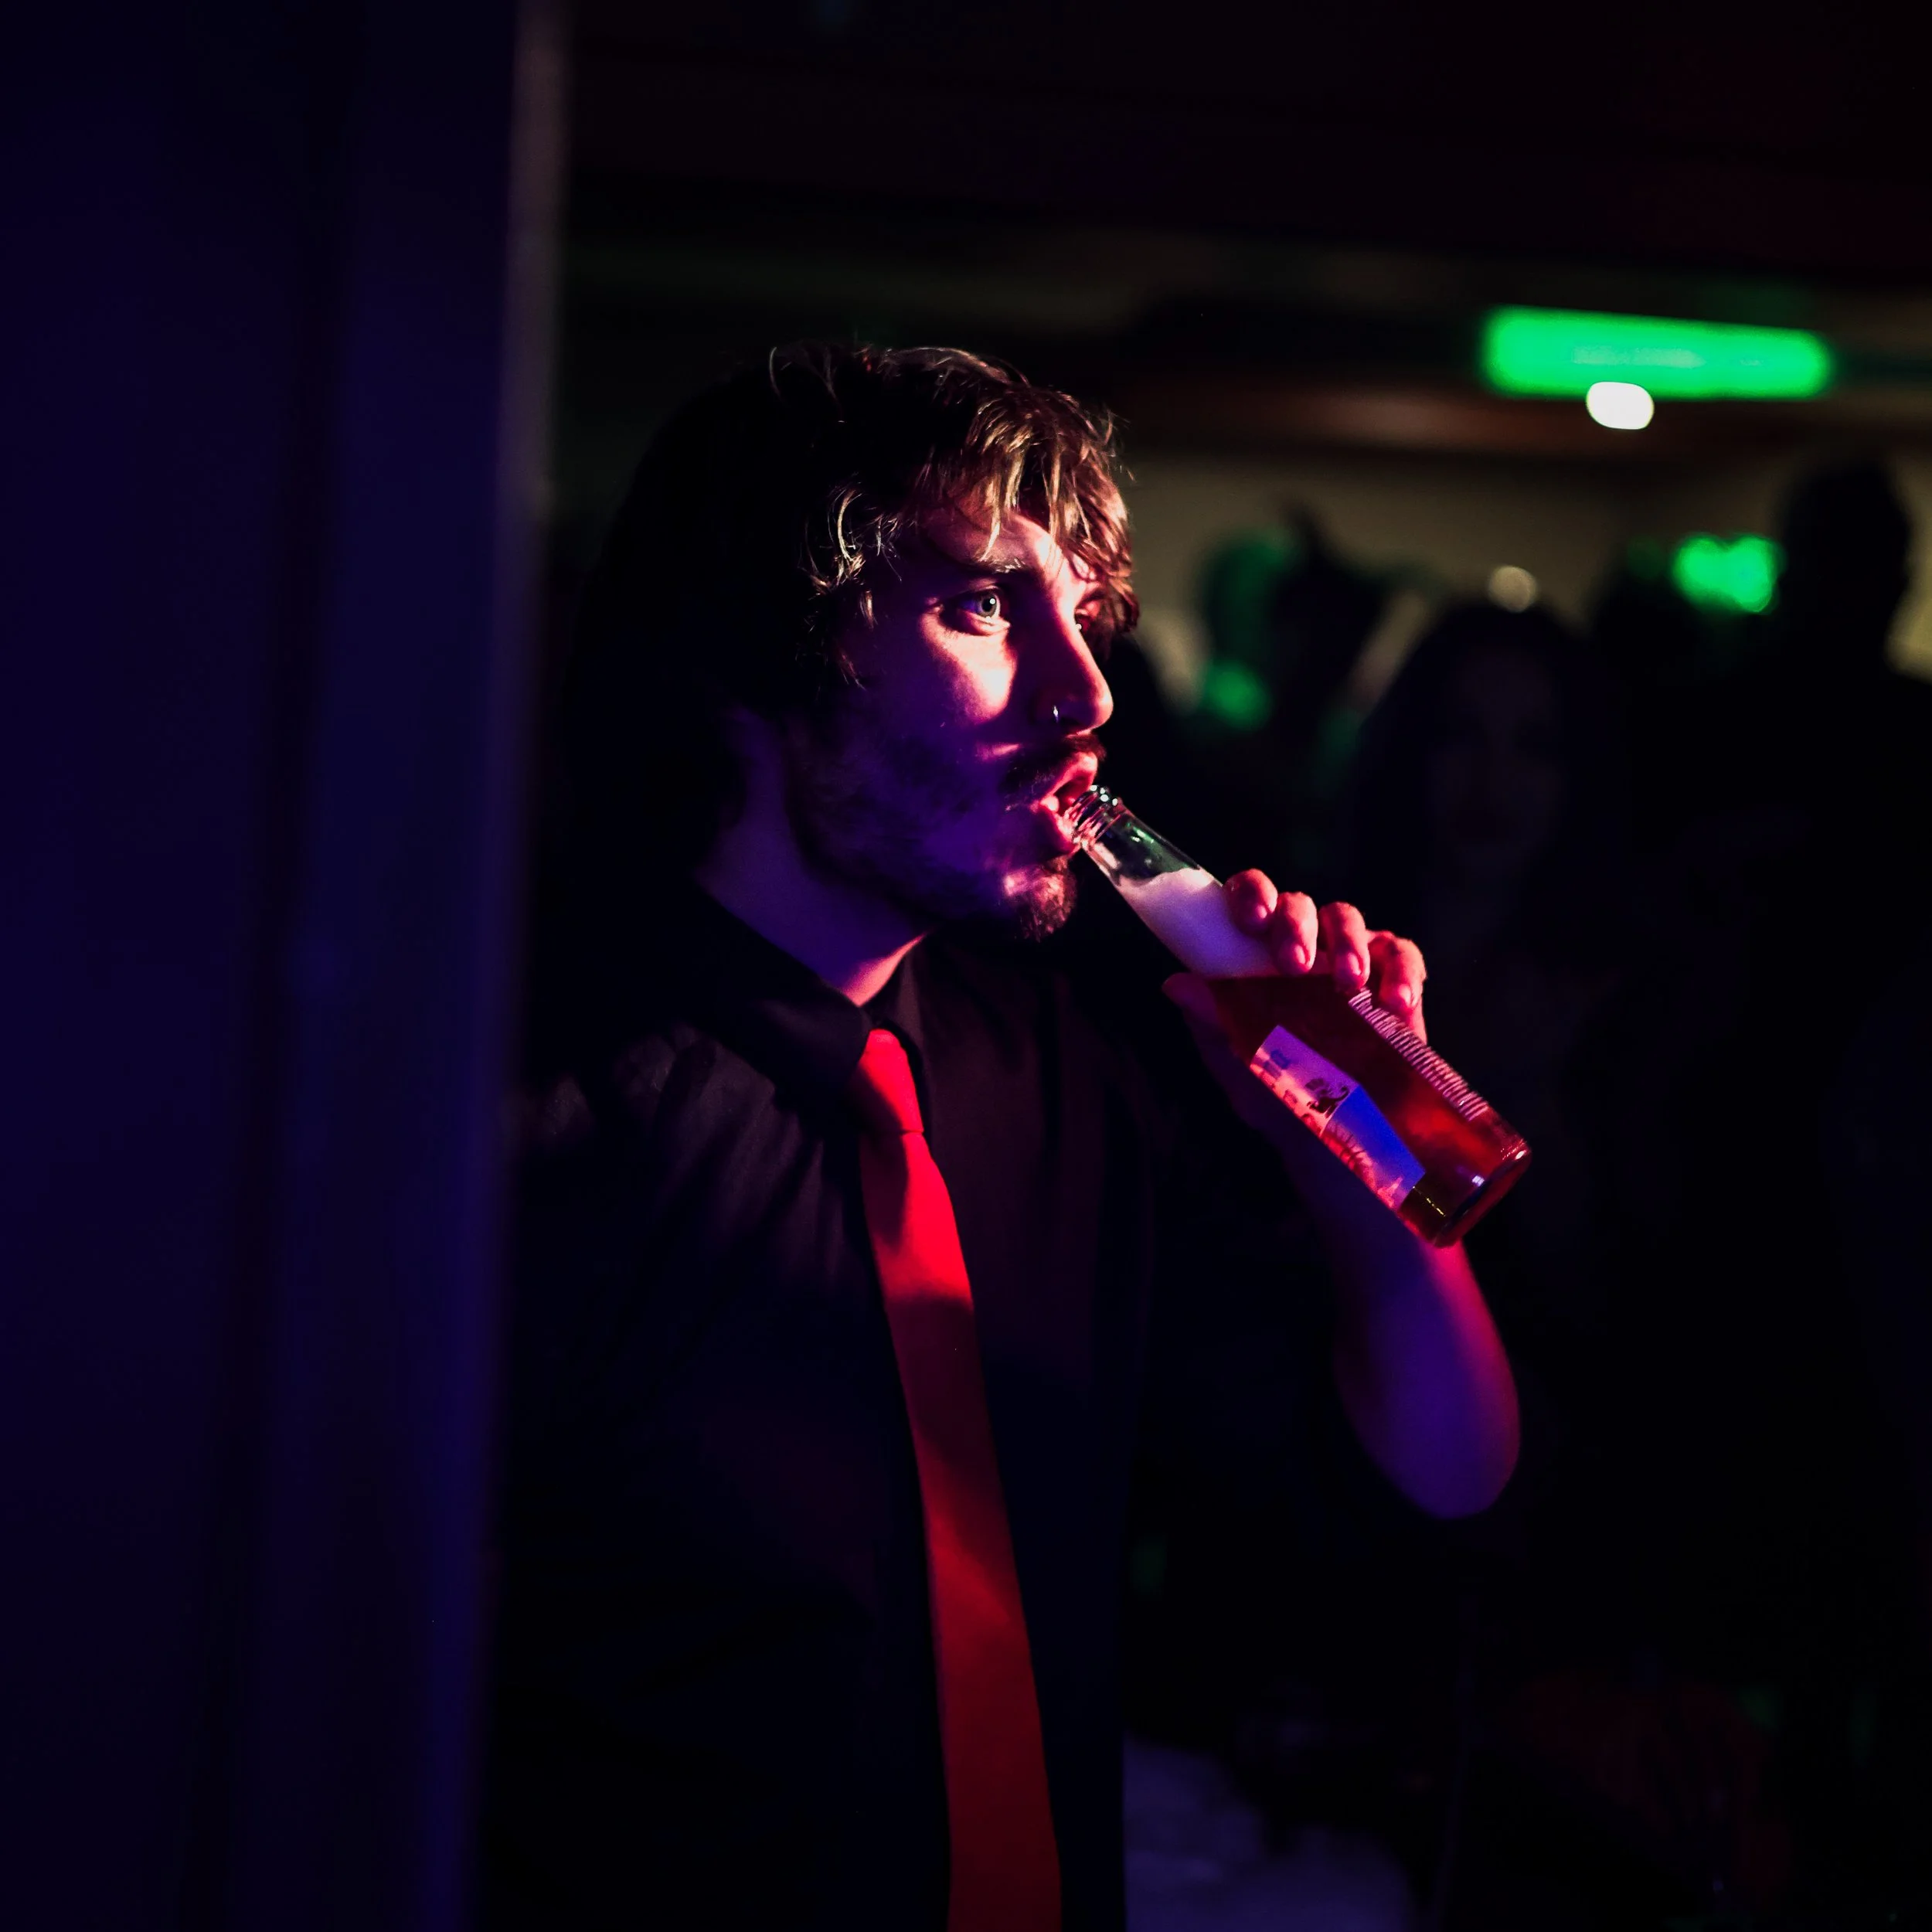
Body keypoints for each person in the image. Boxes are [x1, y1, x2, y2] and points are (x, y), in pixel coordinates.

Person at [481, 344, 1520, 1931]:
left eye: (1083, 617)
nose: (1086, 691)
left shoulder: (1050, 1072)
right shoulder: (520, 1131)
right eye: (981, 607)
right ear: (767, 650)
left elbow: (1441, 1478)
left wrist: (1360, 1165)